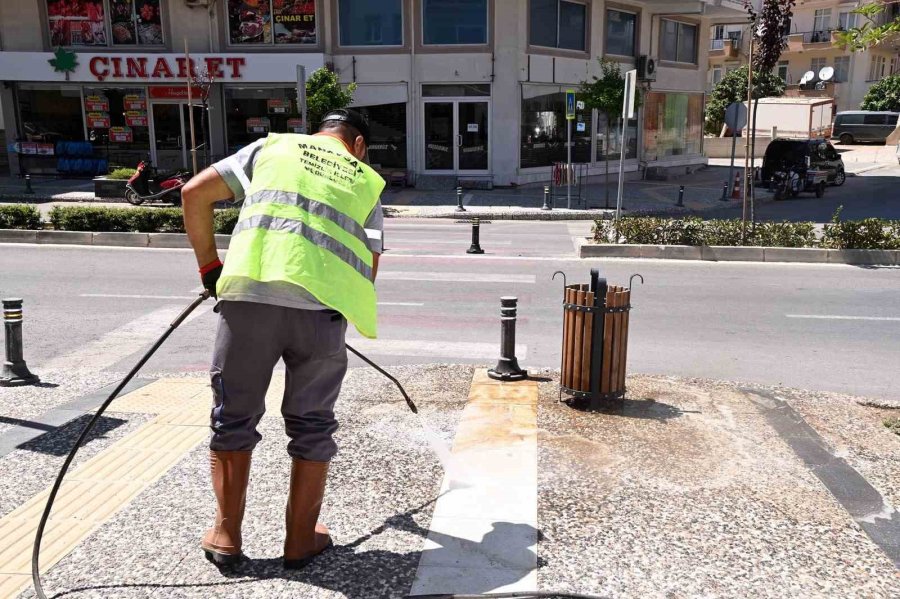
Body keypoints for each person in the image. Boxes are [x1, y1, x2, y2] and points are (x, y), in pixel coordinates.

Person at [181, 109, 385, 569]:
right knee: (313, 424)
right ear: (357, 146)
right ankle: (299, 540)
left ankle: (226, 535)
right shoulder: (366, 180)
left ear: (317, 134)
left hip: (250, 300)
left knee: (233, 417)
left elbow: (194, 193)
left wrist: (210, 268)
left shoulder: (272, 147)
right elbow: (370, 262)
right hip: (322, 315)